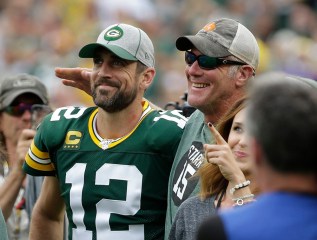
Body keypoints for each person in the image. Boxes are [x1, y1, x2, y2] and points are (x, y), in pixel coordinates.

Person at [54, 18, 260, 238]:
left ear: (243, 74)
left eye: (207, 61)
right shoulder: (196, 120)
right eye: (190, 58)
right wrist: (116, 91)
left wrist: (240, 183)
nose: (193, 69)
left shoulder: (257, 142)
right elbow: (160, 117)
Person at [23, 23, 186, 240]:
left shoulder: (170, 133)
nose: (103, 72)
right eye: (98, 62)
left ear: (146, 77)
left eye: (118, 63)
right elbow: (47, 214)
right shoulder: (61, 129)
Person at [197, 73, 317, 240]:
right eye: (237, 128)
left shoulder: (223, 228)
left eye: (253, 133)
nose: (243, 141)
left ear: (258, 152)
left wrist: (239, 185)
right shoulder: (197, 209)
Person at [169, 97, 259, 240]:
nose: (242, 142)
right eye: (238, 129)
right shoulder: (191, 210)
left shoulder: (283, 213)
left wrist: (238, 181)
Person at [0, 73, 50, 239]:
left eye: (36, 109)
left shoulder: (60, 166)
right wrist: (21, 167)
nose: (27, 116)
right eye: (17, 109)